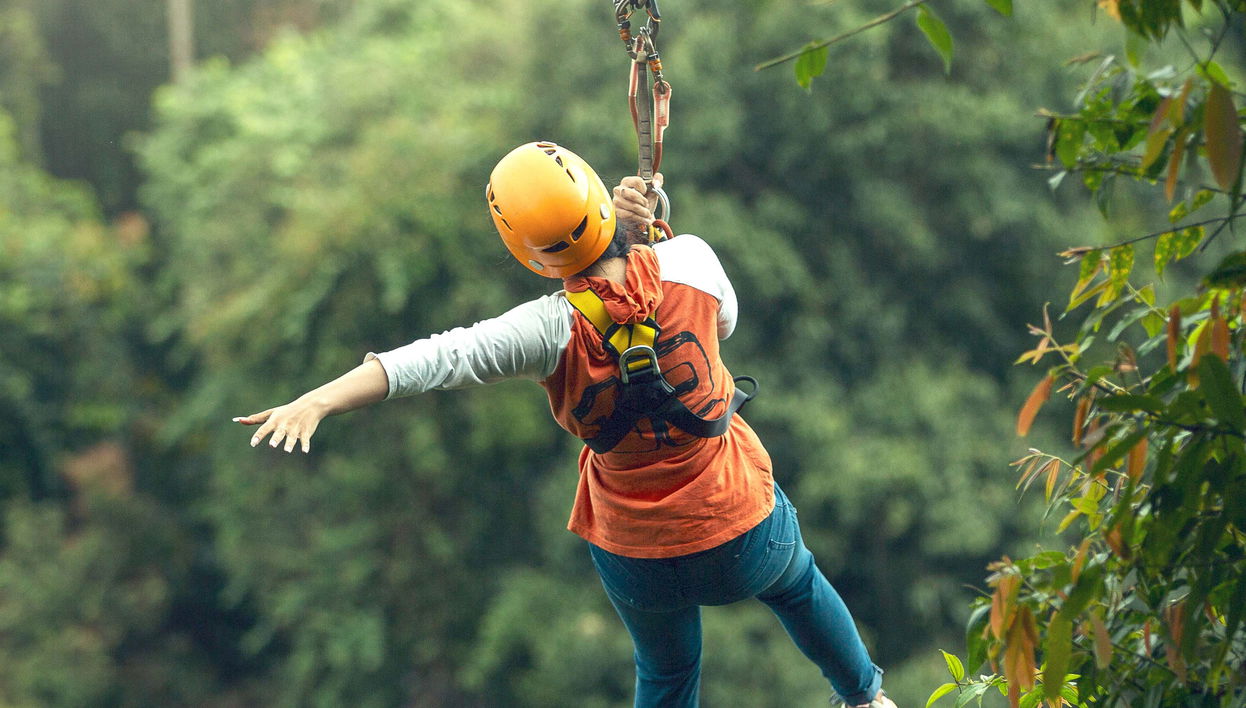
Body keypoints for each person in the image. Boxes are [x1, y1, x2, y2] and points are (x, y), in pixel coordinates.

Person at [236, 141, 895, 708]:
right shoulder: (690, 261)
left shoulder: (544, 330)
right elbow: (723, 323)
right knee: (799, 583)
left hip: (636, 552)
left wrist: (319, 399)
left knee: (667, 670)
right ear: (601, 203)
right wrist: (648, 238)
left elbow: (435, 359)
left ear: (529, 253)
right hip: (739, 528)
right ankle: (865, 695)